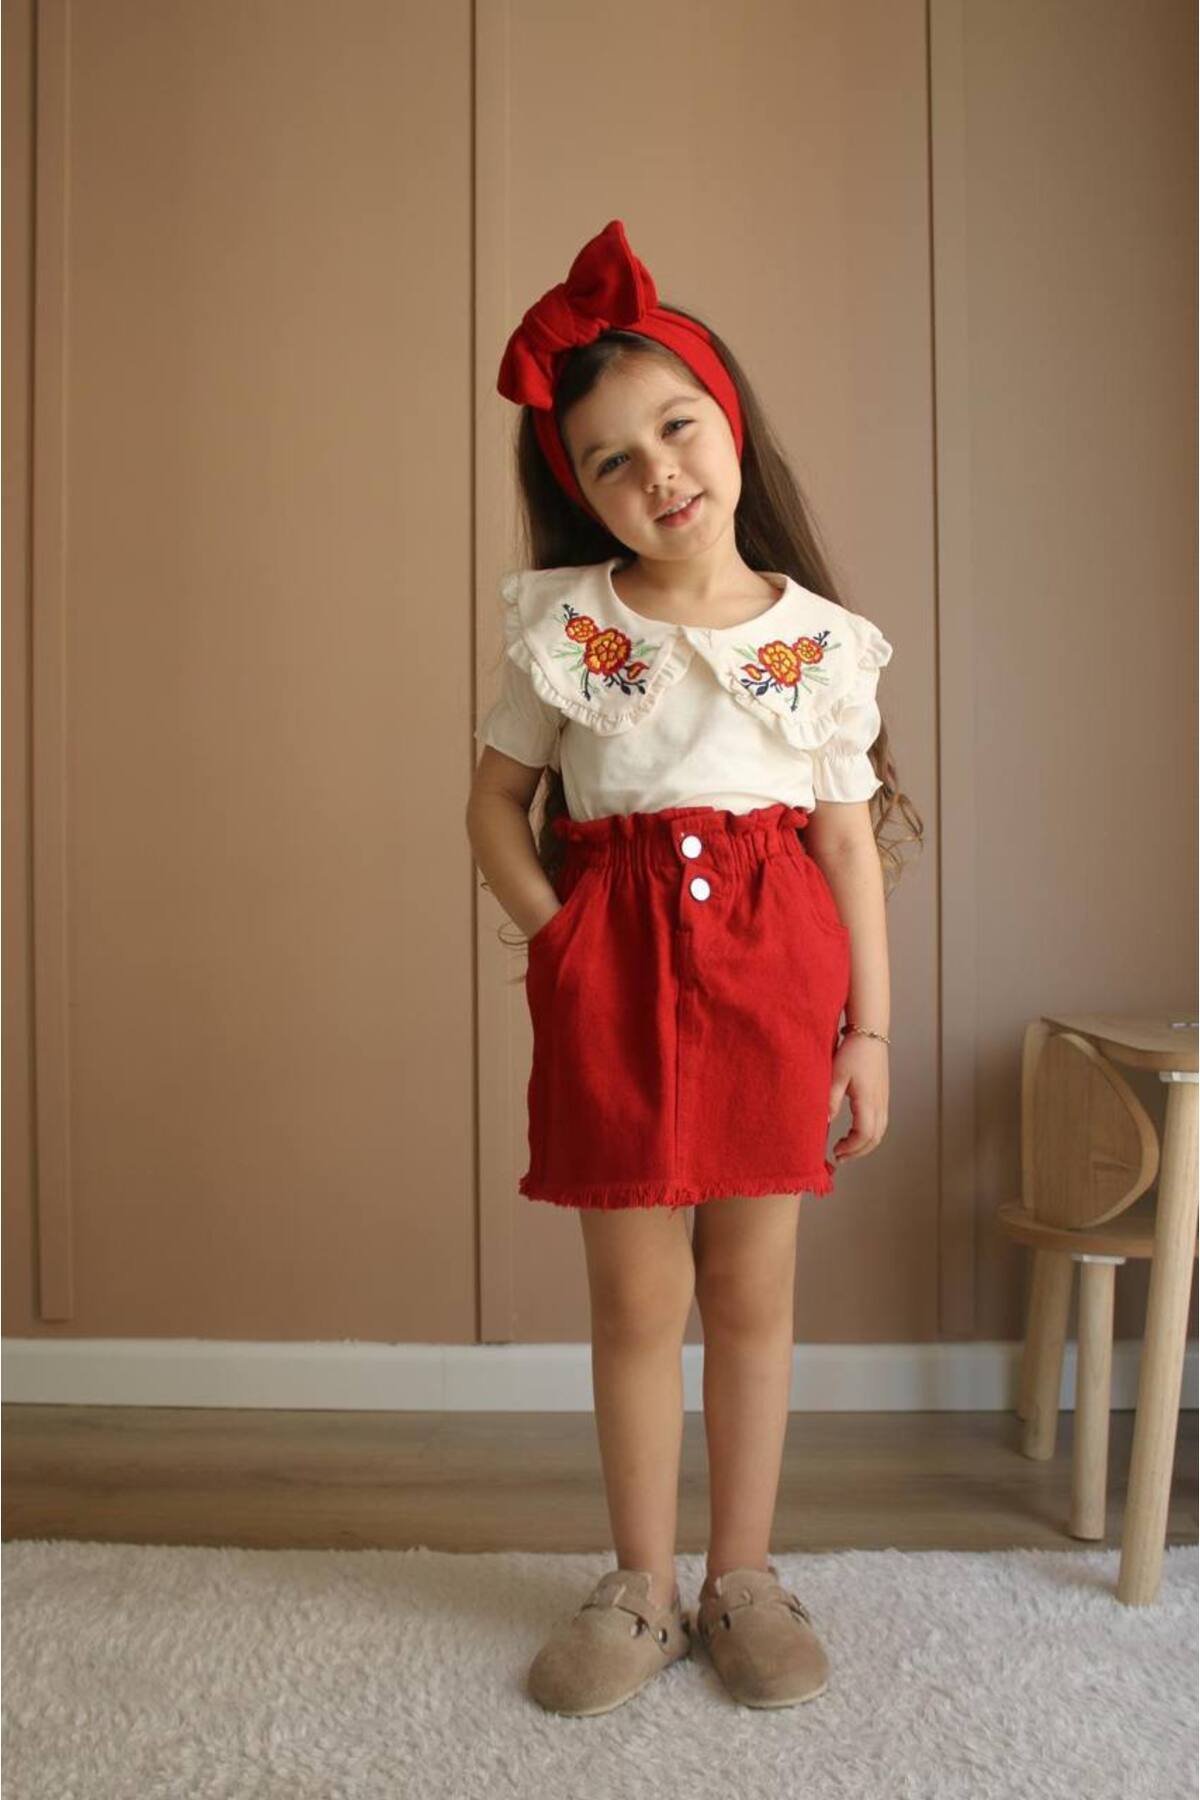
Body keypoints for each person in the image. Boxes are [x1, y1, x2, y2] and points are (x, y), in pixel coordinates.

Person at [465, 220, 922, 1717]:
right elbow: (493, 804)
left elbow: (845, 843)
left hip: (777, 984)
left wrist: (868, 1033)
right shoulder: (570, 630)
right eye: (611, 460)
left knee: (753, 1295)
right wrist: (562, 937)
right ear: (578, 489)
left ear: (729, 422)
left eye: (676, 427)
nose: (657, 472)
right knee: (634, 1305)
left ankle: (744, 1578)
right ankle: (639, 1587)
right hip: (615, 981)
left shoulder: (820, 645)